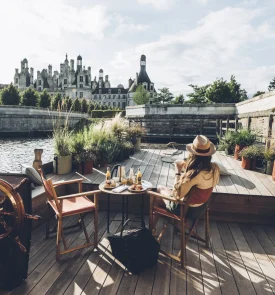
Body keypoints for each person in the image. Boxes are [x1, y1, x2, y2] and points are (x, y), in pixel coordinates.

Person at [153, 135, 220, 228]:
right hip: (201, 208)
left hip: (186, 210)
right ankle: (176, 223)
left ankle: (152, 230)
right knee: (167, 192)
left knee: (160, 189)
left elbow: (177, 195)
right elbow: (201, 178)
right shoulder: (215, 168)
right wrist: (187, 167)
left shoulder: (192, 175)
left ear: (193, 154)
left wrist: (178, 172)